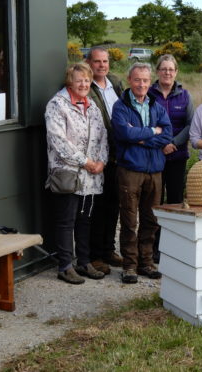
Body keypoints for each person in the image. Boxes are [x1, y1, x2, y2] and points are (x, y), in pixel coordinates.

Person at [45, 62, 108, 284]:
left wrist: (101, 161)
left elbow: (102, 137)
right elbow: (58, 141)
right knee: (66, 221)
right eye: (78, 80)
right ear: (69, 82)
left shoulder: (92, 106)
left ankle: (84, 262)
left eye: (87, 80)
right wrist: (86, 162)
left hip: (91, 175)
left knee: (85, 220)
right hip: (68, 174)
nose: (83, 84)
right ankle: (64, 266)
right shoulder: (57, 105)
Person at [112, 62, 172, 284]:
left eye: (145, 80)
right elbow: (123, 133)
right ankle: (129, 265)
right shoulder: (120, 106)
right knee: (129, 219)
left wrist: (140, 137)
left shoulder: (156, 105)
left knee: (151, 219)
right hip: (130, 170)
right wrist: (150, 132)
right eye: (137, 80)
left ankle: (146, 263)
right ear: (130, 80)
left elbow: (167, 134)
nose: (141, 84)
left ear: (150, 81)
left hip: (155, 171)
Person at [148, 54, 194, 263]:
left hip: (177, 155)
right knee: (154, 201)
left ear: (176, 72)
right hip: (153, 155)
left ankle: (174, 246)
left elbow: (190, 124)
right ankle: (154, 247)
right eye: (164, 69)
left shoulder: (185, 95)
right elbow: (142, 122)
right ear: (157, 71)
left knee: (175, 201)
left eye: (171, 69)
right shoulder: (148, 94)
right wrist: (160, 144)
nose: (167, 72)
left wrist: (173, 143)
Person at [85, 46, 125, 275]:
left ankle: (109, 249)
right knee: (97, 207)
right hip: (97, 154)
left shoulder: (114, 84)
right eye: (97, 61)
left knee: (114, 204)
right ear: (89, 62)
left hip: (117, 153)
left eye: (105, 61)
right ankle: (96, 254)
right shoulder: (84, 85)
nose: (102, 65)